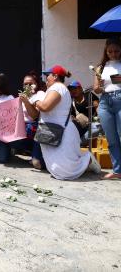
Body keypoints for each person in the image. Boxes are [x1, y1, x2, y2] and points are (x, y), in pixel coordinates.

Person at [36, 65, 101, 180]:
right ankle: (84, 161)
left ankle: (87, 159)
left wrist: (36, 98)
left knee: (65, 170)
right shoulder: (55, 88)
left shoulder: (58, 87)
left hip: (62, 131)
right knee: (57, 168)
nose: (46, 78)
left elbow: (45, 107)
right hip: (54, 130)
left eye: (48, 75)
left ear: (55, 76)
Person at [93, 38, 121, 179]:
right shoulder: (101, 67)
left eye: (116, 51)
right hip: (105, 101)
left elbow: (118, 81)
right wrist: (100, 85)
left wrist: (116, 79)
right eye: (110, 51)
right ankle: (117, 170)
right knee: (111, 138)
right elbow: (96, 89)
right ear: (106, 51)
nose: (113, 54)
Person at [13, 72, 46, 169]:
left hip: (36, 131)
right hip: (24, 130)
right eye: (25, 84)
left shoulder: (40, 94)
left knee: (37, 163)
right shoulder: (22, 96)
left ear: (36, 84)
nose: (27, 86)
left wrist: (26, 102)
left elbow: (35, 115)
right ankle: (30, 150)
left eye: (30, 84)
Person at [68, 80, 100, 144]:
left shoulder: (89, 95)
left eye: (75, 88)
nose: (73, 91)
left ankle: (78, 142)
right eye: (71, 89)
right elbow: (72, 116)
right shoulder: (71, 101)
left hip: (93, 123)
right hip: (82, 126)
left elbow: (98, 108)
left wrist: (99, 120)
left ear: (80, 88)